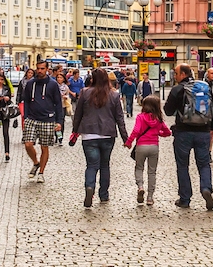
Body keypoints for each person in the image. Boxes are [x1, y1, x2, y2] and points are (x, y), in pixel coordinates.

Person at [70, 68, 130, 208]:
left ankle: (90, 188)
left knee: (91, 165)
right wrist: (125, 138)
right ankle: (103, 194)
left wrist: (75, 132)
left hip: (89, 135)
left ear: (92, 79)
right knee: (105, 165)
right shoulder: (114, 95)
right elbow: (119, 118)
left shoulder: (85, 92)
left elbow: (78, 114)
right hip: (108, 134)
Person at [163, 63, 213, 210]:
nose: (174, 76)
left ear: (183, 74)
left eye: (176, 73)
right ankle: (206, 188)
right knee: (204, 164)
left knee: (182, 166)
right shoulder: (204, 88)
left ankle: (185, 199)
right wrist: (212, 128)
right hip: (203, 132)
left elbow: (167, 111)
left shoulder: (178, 89)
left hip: (183, 133)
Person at [20, 60, 64, 183]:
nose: (39, 71)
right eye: (38, 68)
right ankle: (36, 162)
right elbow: (27, 100)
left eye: (42, 69)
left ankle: (41, 172)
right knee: (28, 144)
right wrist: (26, 116)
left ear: (47, 69)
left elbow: (58, 104)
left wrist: (59, 121)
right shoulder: (30, 84)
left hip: (47, 119)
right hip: (32, 118)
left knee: (44, 147)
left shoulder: (53, 84)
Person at [126, 95, 172, 206]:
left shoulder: (140, 117)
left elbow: (136, 130)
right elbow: (168, 132)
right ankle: (150, 198)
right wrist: (158, 133)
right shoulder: (158, 119)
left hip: (141, 146)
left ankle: (140, 187)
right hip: (154, 147)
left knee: (139, 168)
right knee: (152, 172)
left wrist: (129, 142)